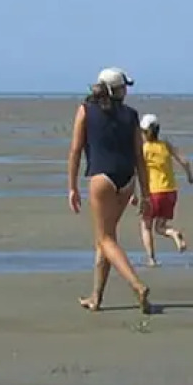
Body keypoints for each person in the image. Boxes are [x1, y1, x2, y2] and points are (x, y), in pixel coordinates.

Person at [66, 67, 152, 314]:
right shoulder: (132, 115)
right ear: (117, 90)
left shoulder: (85, 110)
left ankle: (138, 285)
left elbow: (75, 150)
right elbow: (139, 157)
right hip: (127, 180)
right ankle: (96, 298)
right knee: (104, 239)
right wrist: (145, 193)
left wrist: (72, 186)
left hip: (101, 179)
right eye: (124, 87)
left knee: (106, 239)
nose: (126, 91)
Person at [137, 113, 193, 267]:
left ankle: (151, 259)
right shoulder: (166, 145)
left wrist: (132, 194)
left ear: (143, 132)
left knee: (146, 225)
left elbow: (135, 172)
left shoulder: (143, 149)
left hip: (153, 192)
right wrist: (190, 176)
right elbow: (185, 161)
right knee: (160, 227)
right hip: (170, 192)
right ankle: (174, 233)